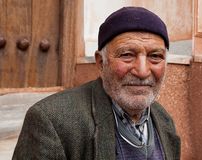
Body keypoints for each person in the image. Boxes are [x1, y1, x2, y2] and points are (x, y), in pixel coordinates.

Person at [13, 7, 180, 160]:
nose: (142, 71)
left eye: (155, 56)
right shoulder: (52, 122)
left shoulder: (163, 120)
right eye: (127, 54)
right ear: (101, 63)